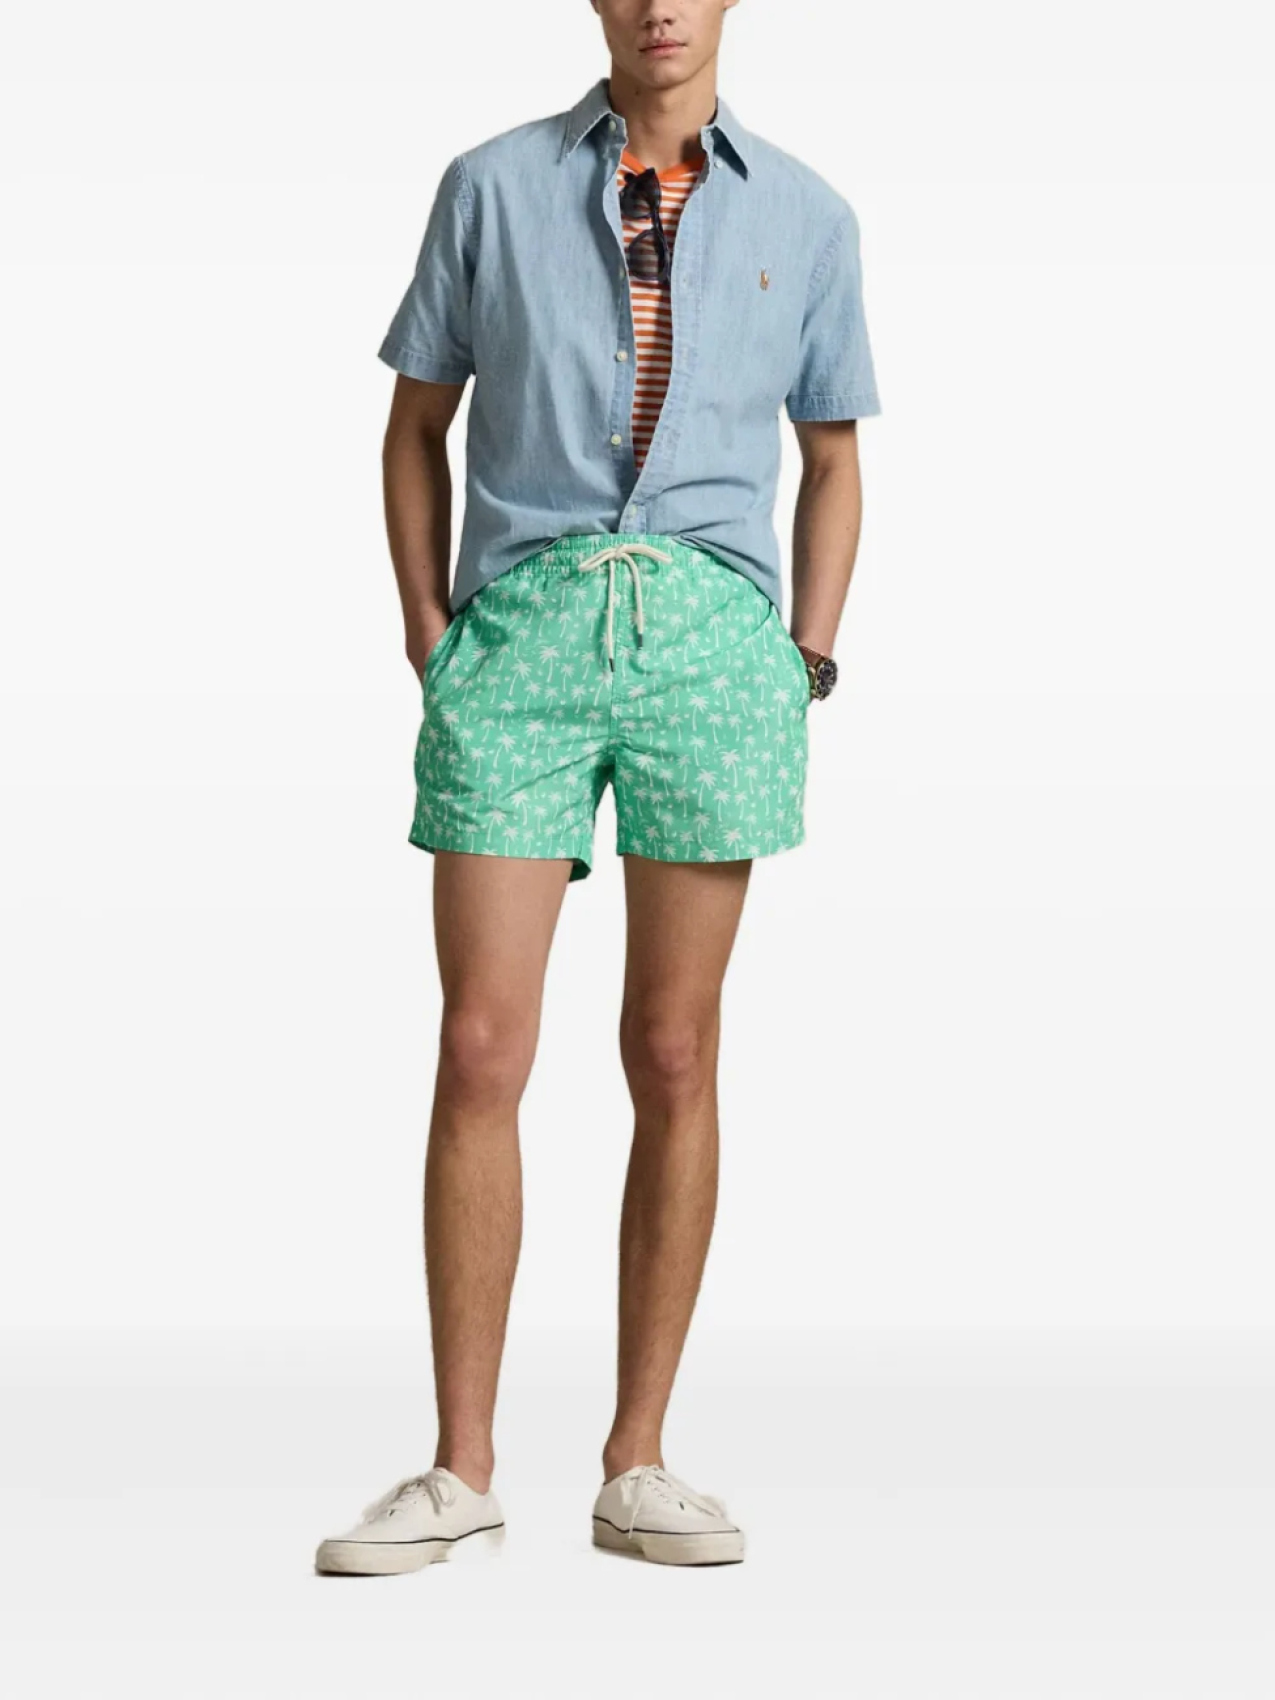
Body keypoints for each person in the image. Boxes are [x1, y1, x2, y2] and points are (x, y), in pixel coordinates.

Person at [315, 0, 879, 1575]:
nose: (657, 7)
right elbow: (414, 425)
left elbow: (834, 457)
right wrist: (430, 630)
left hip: (714, 647)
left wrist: (803, 659)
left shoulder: (811, 215)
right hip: (521, 636)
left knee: (675, 1049)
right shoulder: (490, 187)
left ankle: (638, 1460)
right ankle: (461, 1468)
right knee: (481, 1043)